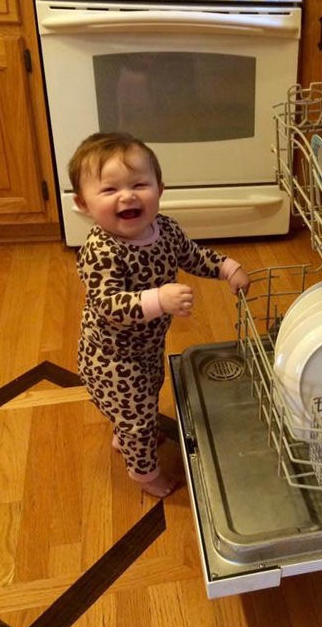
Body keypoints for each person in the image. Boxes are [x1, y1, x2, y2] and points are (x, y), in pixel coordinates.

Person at [68, 132, 250, 498]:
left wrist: (227, 267)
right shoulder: (101, 250)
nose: (127, 196)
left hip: (148, 346)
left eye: (139, 184)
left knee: (145, 398)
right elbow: (109, 305)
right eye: (109, 190)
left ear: (160, 189)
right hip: (112, 358)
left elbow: (192, 255)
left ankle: (126, 433)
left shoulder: (165, 229)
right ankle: (146, 475)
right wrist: (159, 299)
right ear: (83, 204)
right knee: (137, 418)